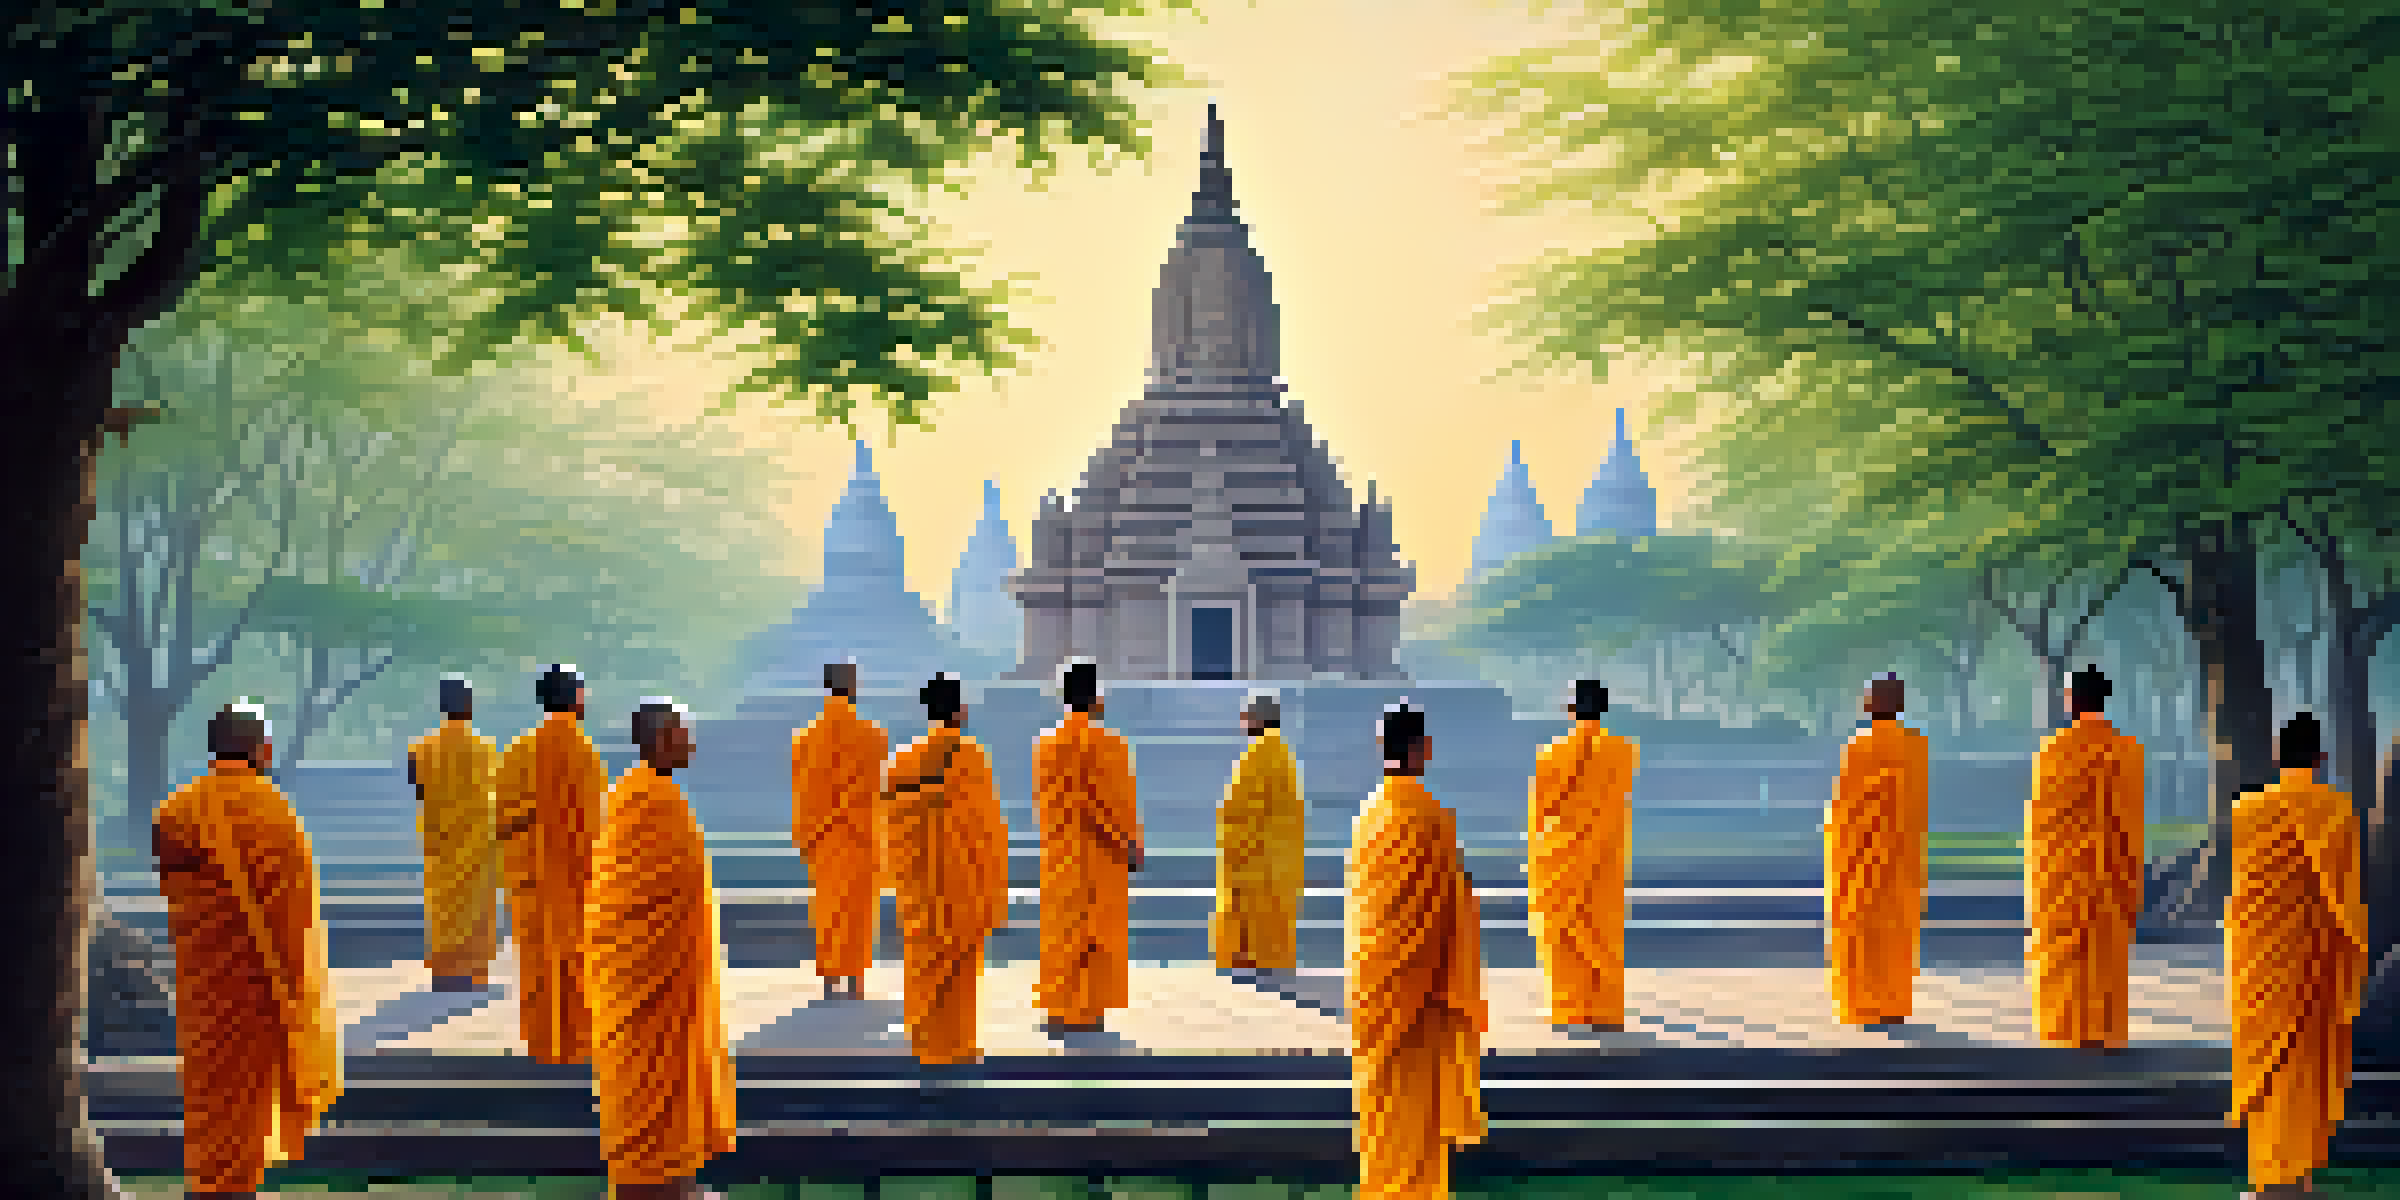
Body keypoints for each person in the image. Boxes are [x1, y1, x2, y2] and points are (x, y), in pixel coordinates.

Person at [153, 700, 341, 1196]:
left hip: (204, 986)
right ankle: (233, 1186)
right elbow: (297, 919)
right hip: (257, 987)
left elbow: (178, 889)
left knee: (209, 1088)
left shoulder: (175, 812)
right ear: (264, 750)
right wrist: (299, 994)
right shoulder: (277, 817)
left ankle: (208, 1183)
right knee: (246, 1093)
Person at [588, 699, 736, 1200]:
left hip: (659, 970)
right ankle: (657, 1184)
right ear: (660, 739)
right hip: (649, 972)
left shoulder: (634, 796)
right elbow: (629, 895)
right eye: (682, 732)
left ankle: (673, 1180)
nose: (691, 741)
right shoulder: (649, 802)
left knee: (665, 1077)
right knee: (654, 1076)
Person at [1348, 700, 1485, 1200]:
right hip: (1423, 989)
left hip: (1374, 986)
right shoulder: (1434, 819)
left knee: (1382, 1097)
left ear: (1379, 748)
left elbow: (1364, 908)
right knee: (1417, 1103)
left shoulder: (1367, 817)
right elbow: (1457, 908)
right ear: (1424, 750)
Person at [2229, 712, 2367, 1198]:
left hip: (2262, 959)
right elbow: (2346, 898)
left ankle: (2274, 1177)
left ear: (2276, 756)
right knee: (2305, 1066)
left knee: (2272, 1068)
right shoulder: (2337, 811)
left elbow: (2245, 894)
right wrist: (2353, 953)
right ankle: (2298, 1175)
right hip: (2313, 958)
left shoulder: (2247, 810)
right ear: (2320, 757)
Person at [884, 673, 1009, 1065]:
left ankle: (926, 1041)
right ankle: (956, 1045)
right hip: (961, 883)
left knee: (923, 962)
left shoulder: (901, 761)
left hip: (919, 883)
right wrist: (994, 892)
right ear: (959, 710)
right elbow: (986, 828)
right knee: (958, 971)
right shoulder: (970, 757)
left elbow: (890, 823)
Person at [494, 663, 610, 1064]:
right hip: (577, 881)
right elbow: (596, 827)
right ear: (576, 697)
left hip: (533, 882)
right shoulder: (584, 752)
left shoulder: (518, 751)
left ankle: (544, 1044)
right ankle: (578, 1044)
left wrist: (535, 823)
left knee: (538, 966)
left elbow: (501, 821)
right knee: (577, 962)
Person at [2026, 665, 2146, 1051]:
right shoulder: (2128, 751)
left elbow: (2042, 823)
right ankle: (2104, 1028)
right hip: (2111, 875)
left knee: (2066, 954)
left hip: (2063, 877)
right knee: (2104, 956)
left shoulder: (2053, 751)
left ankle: (2063, 1028)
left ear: (2072, 699)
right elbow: (2131, 820)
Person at [1032, 659, 1143, 1033]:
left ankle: (1058, 1006)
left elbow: (1046, 801)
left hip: (1060, 853)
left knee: (1061, 932)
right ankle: (1087, 1011)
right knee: (1095, 933)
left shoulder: (1046, 744)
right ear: (1096, 697)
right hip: (1099, 855)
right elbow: (1115, 802)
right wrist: (1129, 843)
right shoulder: (1108, 743)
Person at [1529, 679, 1640, 1030]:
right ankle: (1605, 1009)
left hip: (1561, 861)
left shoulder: (1550, 755)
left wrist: (1536, 857)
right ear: (1604, 708)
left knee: (1564, 934)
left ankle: (1568, 1007)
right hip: (1605, 860)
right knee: (1602, 934)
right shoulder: (1623, 752)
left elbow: (1539, 816)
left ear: (1570, 709)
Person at [1826, 672, 1930, 1026]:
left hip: (1862, 863)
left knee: (1865, 933)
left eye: (1868, 695)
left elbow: (1845, 810)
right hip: (1899, 862)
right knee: (1894, 933)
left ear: (1871, 702)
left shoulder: (1859, 747)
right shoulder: (1915, 747)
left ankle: (1864, 1002)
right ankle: (1893, 1001)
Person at [792, 660, 890, 1000]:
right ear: (854, 687)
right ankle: (855, 980)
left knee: (828, 908)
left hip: (823, 837)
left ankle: (830, 979)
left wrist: (807, 834)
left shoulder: (806, 738)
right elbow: (876, 791)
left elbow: (801, 791)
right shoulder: (872, 735)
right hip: (859, 836)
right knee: (857, 911)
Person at [408, 675, 501, 992]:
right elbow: (495, 795)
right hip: (477, 846)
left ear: (441, 706)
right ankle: (474, 973)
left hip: (441, 845)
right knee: (476, 909)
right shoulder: (487, 750)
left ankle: (445, 972)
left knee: (444, 909)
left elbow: (419, 792)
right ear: (470, 705)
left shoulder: (421, 749)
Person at [1213, 690, 1305, 975]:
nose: (1243, 722)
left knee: (1253, 927)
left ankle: (1252, 961)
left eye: (1246, 717)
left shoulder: (1257, 756)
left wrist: (1232, 849)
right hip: (1281, 862)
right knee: (1273, 927)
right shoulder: (1285, 757)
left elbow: (1241, 813)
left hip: (1256, 862)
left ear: (1257, 719)